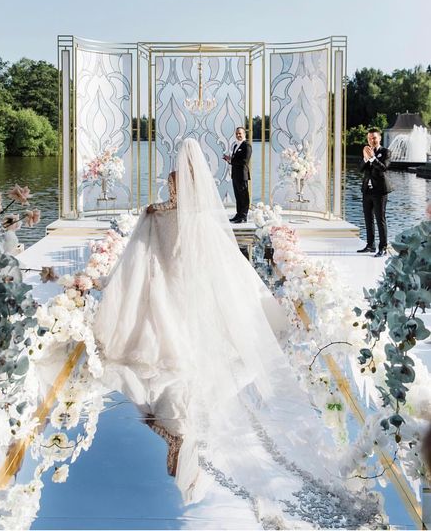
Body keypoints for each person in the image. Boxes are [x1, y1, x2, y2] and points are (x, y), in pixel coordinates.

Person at [93, 138, 381, 526]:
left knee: (166, 309)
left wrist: (154, 209)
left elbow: (167, 209)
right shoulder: (202, 200)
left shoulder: (173, 187)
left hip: (170, 268)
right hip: (192, 271)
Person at [357, 128, 393, 257]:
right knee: (368, 219)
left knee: (380, 219)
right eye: (369, 138)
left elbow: (384, 168)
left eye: (374, 138)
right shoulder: (366, 151)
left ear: (379, 138)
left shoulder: (386, 152)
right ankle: (370, 245)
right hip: (367, 190)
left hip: (380, 191)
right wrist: (366, 159)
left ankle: (383, 247)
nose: (371, 140)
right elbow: (360, 168)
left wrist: (372, 159)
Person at [222, 127, 252, 223]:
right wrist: (229, 159)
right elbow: (235, 161)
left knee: (244, 196)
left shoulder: (247, 145)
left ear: (244, 134)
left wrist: (232, 160)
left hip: (242, 175)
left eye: (240, 133)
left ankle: (243, 216)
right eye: (237, 134)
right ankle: (238, 214)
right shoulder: (235, 146)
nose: (238, 135)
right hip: (235, 175)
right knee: (238, 196)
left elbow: (244, 161)